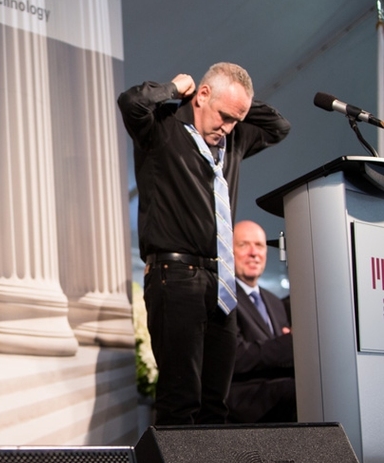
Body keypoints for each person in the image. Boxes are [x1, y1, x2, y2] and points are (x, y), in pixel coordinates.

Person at [118, 62, 290, 425]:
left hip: (221, 283)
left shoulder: (233, 140)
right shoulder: (161, 128)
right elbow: (131, 102)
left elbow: (279, 127)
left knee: (216, 404)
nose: (227, 127)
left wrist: (240, 105)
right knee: (180, 399)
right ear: (202, 95)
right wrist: (172, 88)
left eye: (236, 120)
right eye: (224, 116)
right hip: (175, 275)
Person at [227, 220, 296, 423]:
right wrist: (289, 343)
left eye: (259, 245)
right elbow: (235, 356)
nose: (253, 253)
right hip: (243, 396)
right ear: (229, 252)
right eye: (243, 245)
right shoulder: (224, 297)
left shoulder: (275, 302)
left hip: (277, 391)